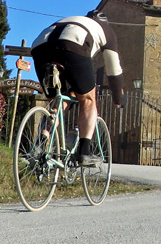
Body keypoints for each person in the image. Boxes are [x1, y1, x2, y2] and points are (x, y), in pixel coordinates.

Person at [30, 10, 125, 166]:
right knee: (88, 100)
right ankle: (84, 152)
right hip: (73, 45)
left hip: (40, 48)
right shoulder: (107, 31)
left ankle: (40, 144)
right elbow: (114, 71)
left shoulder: (73, 19)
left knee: (58, 100)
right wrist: (118, 98)